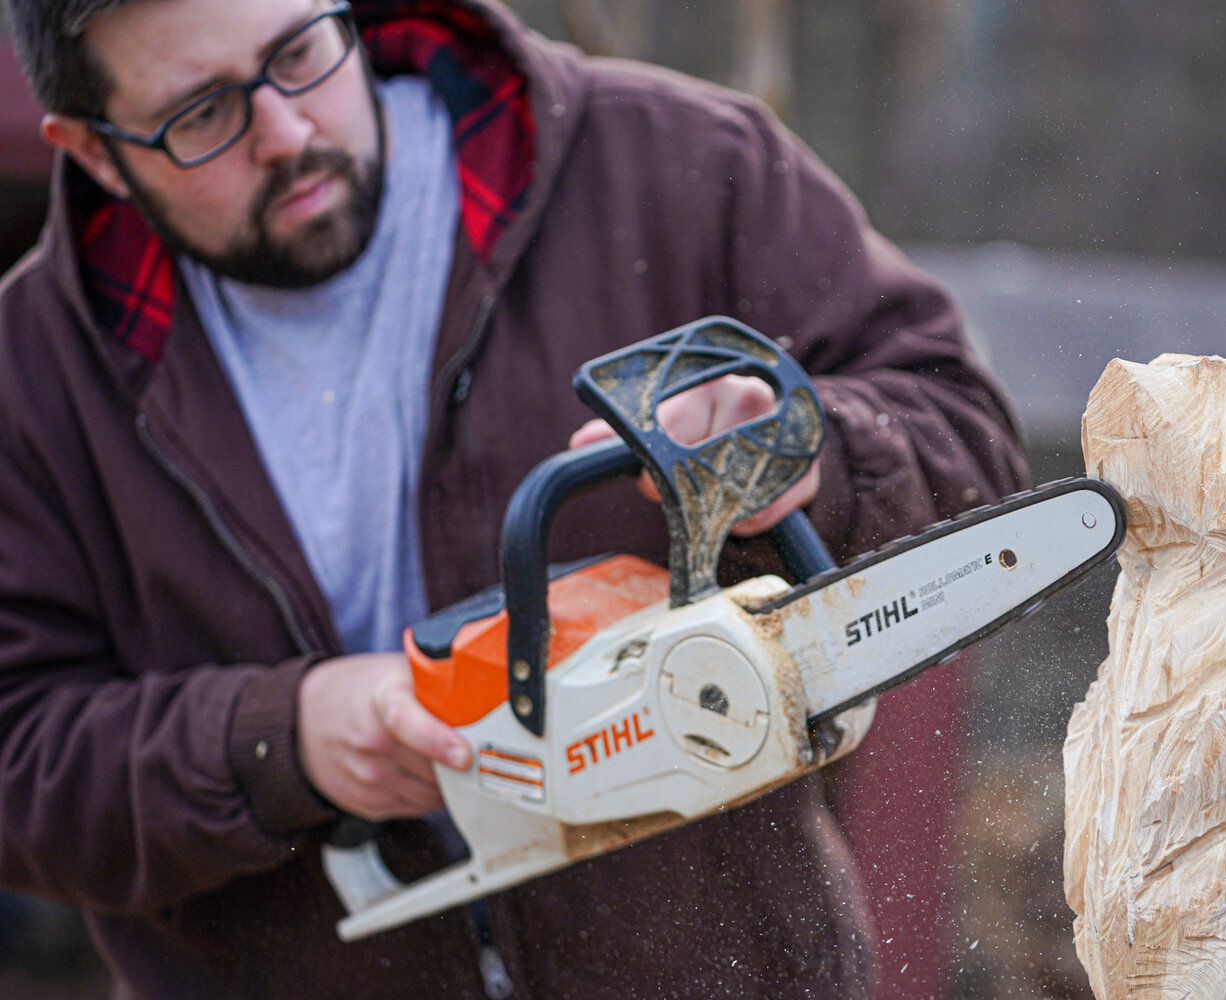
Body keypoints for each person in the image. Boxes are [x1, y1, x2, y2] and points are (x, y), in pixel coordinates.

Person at [0, 0, 1027, 996]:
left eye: (300, 49)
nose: (285, 130)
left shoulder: (671, 161)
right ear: (93, 151)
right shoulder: (34, 381)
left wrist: (803, 455)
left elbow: (964, 429)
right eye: (203, 116)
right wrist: (283, 736)